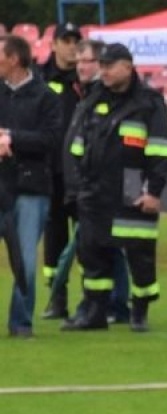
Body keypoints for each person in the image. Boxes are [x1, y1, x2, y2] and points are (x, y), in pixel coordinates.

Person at [60, 42, 167, 332]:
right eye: (102, 65)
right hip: (95, 187)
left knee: (140, 254)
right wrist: (78, 185)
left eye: (110, 66)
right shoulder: (94, 98)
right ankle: (95, 312)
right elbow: (77, 145)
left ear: (128, 66)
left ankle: (140, 310)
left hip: (135, 185)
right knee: (92, 254)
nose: (104, 71)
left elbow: (162, 150)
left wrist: (155, 192)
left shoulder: (149, 102)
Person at [1, 33, 65, 339]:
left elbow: (51, 139)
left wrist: (11, 138)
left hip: (31, 188)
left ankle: (21, 322)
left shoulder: (46, 97)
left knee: (25, 260)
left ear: (13, 59)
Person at [37, 21, 78, 318]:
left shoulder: (87, 78)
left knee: (89, 238)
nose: (72, 46)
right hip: (51, 171)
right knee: (54, 238)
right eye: (66, 40)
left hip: (82, 173)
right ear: (53, 45)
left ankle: (95, 299)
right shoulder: (39, 78)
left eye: (76, 41)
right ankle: (57, 297)